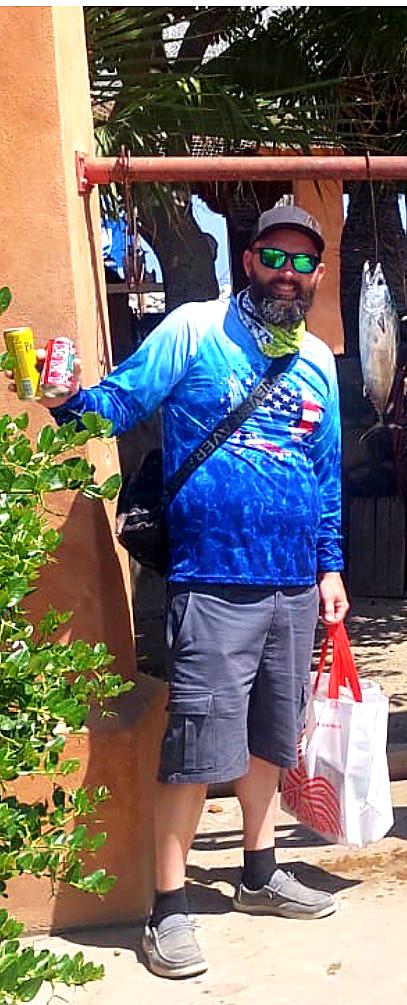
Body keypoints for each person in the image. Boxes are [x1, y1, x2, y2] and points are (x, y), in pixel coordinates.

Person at [31, 205, 349, 977]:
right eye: (276, 257)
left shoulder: (318, 359)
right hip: (211, 579)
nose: (290, 273)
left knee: (271, 738)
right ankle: (166, 908)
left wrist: (330, 566)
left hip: (291, 586)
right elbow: (120, 402)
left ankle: (260, 872)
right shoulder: (193, 329)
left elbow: (325, 471)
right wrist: (66, 397)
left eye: (304, 263)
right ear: (249, 260)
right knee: (195, 747)